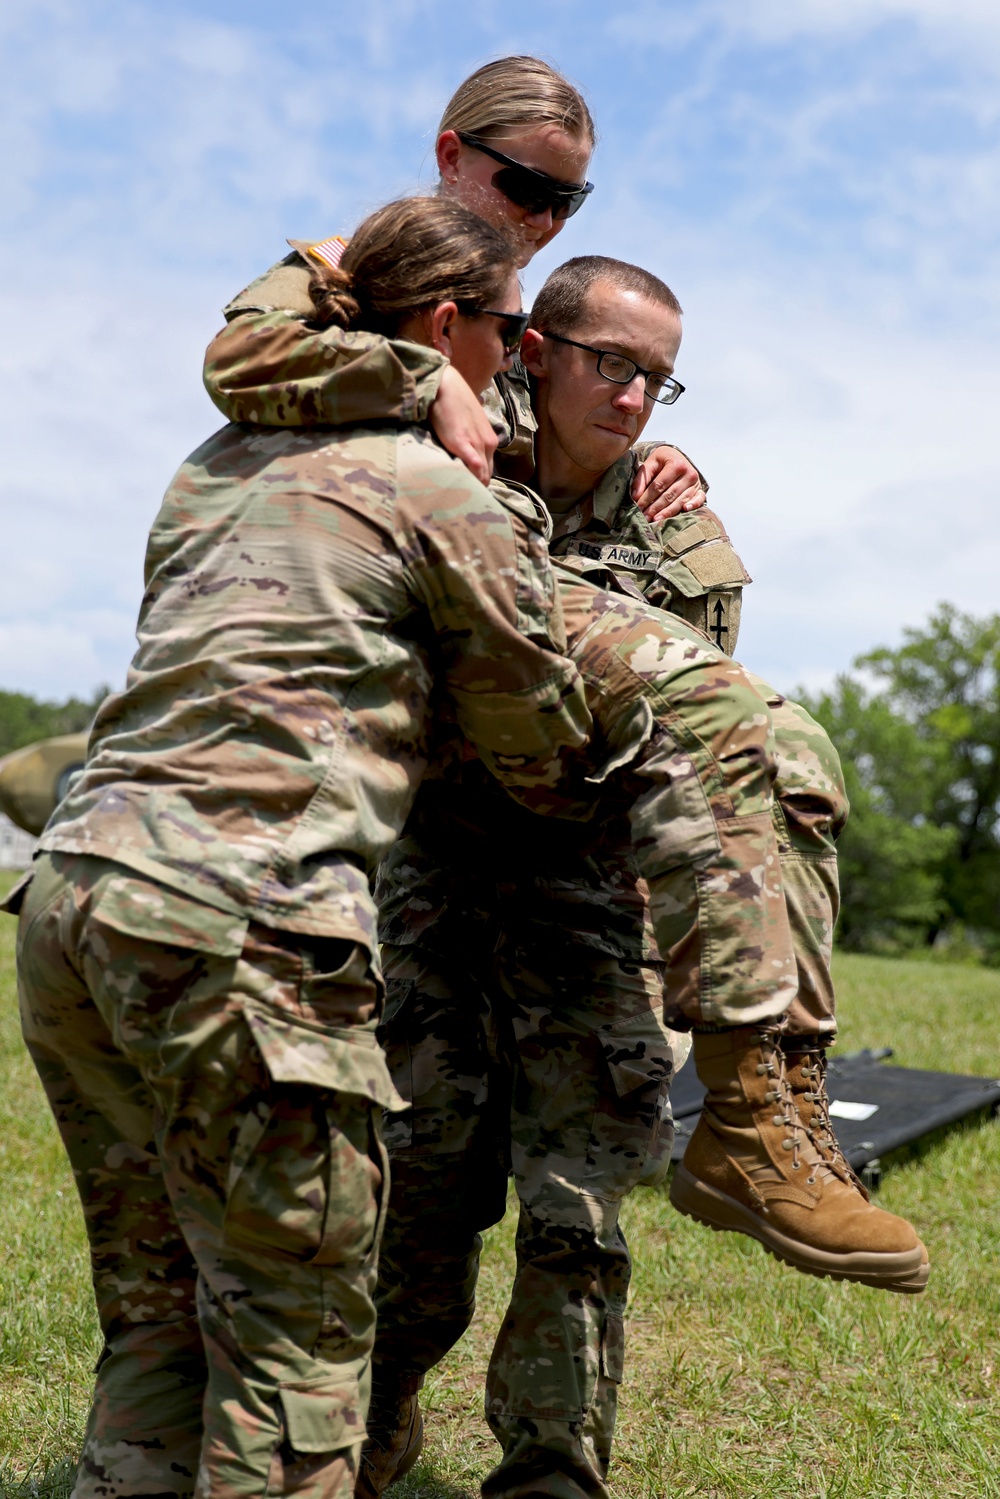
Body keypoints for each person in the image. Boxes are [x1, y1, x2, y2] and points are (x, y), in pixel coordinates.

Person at [9, 196, 597, 1499]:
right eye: (512, 334)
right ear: (447, 329)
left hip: (76, 902)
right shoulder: (439, 490)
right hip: (243, 928)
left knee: (160, 1312)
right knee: (297, 1346)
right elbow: (538, 745)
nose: (521, 365)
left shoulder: (215, 457)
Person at [359, 256, 928, 1499]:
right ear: (535, 351)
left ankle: (554, 1464)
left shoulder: (677, 521)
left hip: (588, 889)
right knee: (424, 1191)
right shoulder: (440, 445)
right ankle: (374, 1411)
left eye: (659, 381)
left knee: (580, 1200)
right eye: (611, 364)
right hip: (436, 873)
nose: (632, 399)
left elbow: (697, 744)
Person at [202, 54, 707, 515]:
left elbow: (557, 450)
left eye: (567, 202)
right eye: (528, 189)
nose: (544, 220)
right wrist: (426, 381)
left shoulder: (507, 333)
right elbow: (237, 359)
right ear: (451, 157)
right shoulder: (350, 273)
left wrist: (651, 461)